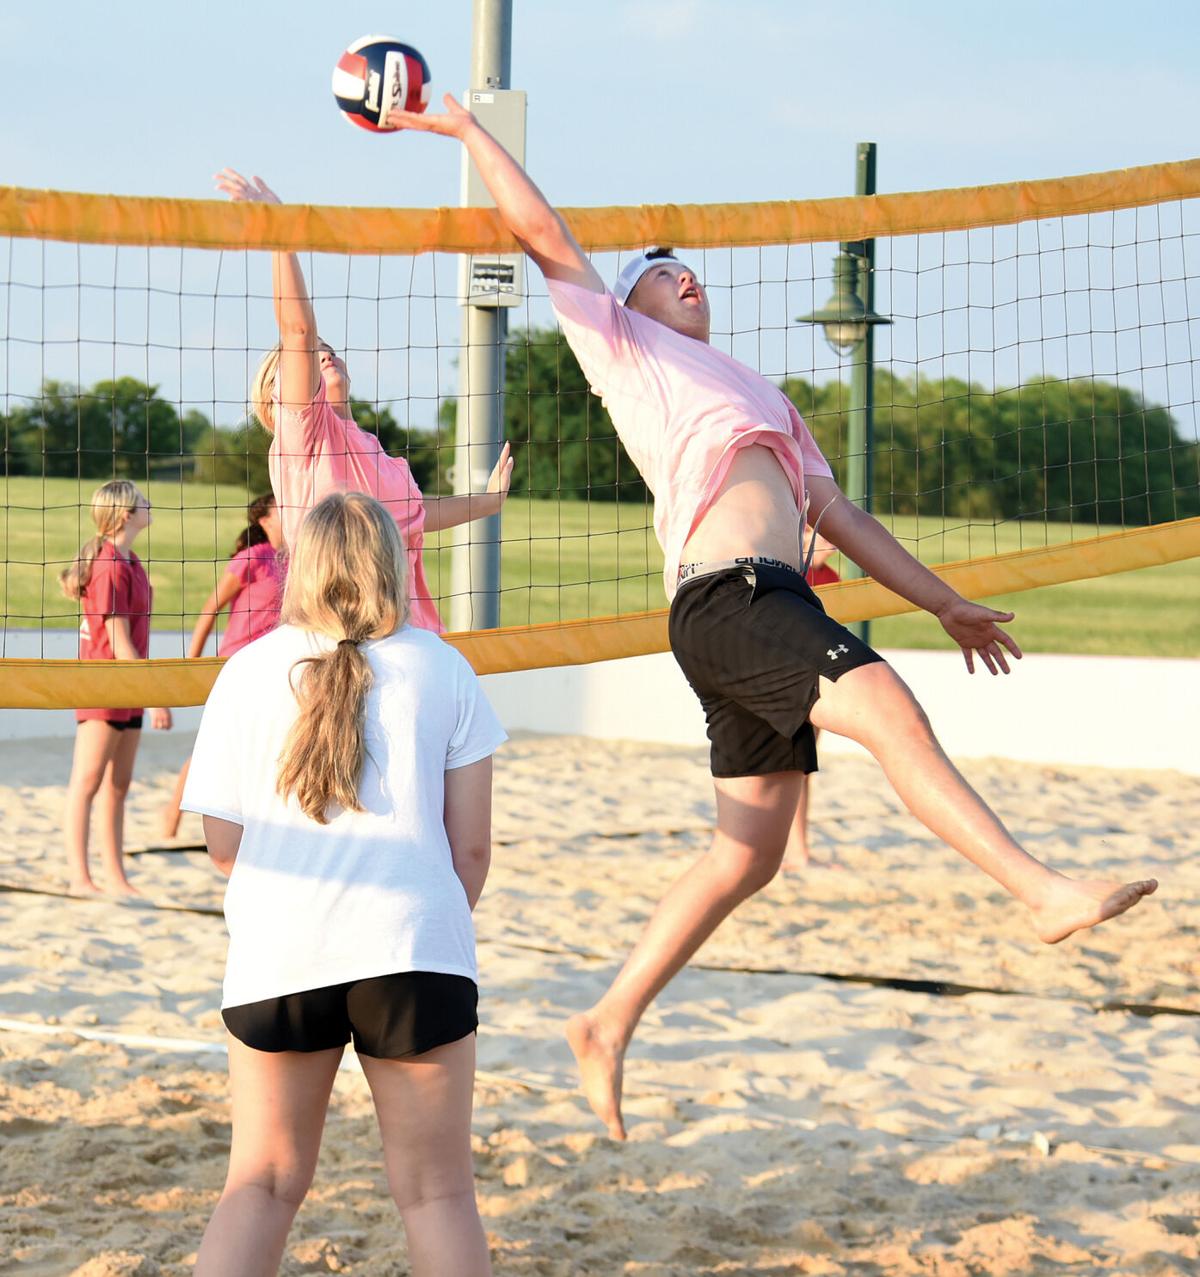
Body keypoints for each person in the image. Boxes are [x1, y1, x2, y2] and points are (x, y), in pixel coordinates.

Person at [393, 96, 1160, 1141]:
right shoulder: (622, 348)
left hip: (768, 595)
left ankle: (607, 1020)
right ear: (631, 302)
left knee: (745, 852)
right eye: (661, 270)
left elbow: (841, 515)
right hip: (730, 595)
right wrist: (468, 135)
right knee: (885, 705)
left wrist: (941, 600)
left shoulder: (765, 395)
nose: (684, 273)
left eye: (687, 266)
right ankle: (1038, 888)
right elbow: (539, 234)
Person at [181, 491, 505, 1276]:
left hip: (281, 954)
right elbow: (471, 851)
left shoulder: (246, 670)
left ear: (301, 566)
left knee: (259, 1184)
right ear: (393, 563)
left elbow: (223, 844)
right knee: (437, 1196)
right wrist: (416, 922)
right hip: (413, 948)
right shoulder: (444, 665)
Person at [215, 169, 514, 632]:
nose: (323, 355)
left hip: (403, 636)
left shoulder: (378, 454)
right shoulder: (304, 440)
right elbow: (297, 330)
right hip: (334, 633)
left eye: (329, 351)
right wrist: (279, 232)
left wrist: (487, 502)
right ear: (275, 401)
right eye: (306, 360)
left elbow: (416, 514)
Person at [61, 480, 172, 896]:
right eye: (142, 501)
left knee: (118, 786)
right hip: (104, 684)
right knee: (86, 782)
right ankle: (79, 878)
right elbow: (120, 643)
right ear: (126, 514)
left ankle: (116, 876)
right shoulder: (108, 566)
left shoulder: (131, 561)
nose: (149, 504)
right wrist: (157, 696)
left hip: (127, 686)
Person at [159, 493, 286, 840]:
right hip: (238, 667)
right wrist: (191, 664)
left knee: (268, 746)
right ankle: (171, 818)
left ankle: (256, 824)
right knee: (215, 747)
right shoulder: (253, 557)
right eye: (282, 507)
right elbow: (209, 609)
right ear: (265, 520)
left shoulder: (296, 559)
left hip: (276, 668)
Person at [784, 531, 841, 869]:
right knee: (773, 769)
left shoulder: (831, 579)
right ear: (803, 535)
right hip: (784, 676)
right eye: (821, 530)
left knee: (803, 768)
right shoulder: (790, 572)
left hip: (815, 677)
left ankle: (799, 851)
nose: (831, 535)